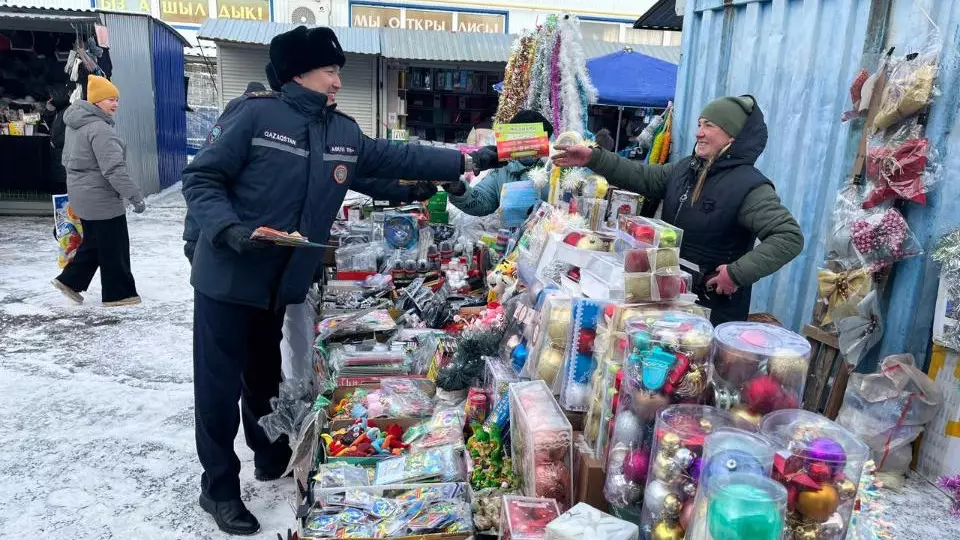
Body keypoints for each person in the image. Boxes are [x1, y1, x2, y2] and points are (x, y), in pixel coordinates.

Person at [181, 25, 498, 535]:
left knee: (262, 378)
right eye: (329, 70)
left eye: (337, 72)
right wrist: (228, 230)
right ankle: (218, 487)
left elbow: (391, 158)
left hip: (279, 282)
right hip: (228, 275)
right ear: (298, 73)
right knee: (217, 389)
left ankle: (267, 451)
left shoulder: (340, 132)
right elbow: (202, 177)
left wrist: (461, 160)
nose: (336, 81)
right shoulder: (256, 116)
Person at [553, 95, 803, 325]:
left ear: (731, 136)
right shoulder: (686, 170)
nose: (699, 133)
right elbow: (641, 175)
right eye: (699, 124)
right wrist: (593, 158)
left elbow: (788, 237)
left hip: (710, 313)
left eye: (709, 126)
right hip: (669, 298)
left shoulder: (749, 186)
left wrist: (737, 274)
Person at [52, 75, 144, 307]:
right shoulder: (99, 129)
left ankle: (70, 281)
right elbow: (114, 170)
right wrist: (135, 196)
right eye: (110, 99)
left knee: (94, 242)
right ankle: (119, 295)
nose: (115, 104)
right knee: (115, 247)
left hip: (82, 195)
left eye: (117, 100)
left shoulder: (75, 124)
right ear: (96, 101)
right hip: (101, 198)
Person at [444, 109, 552, 217]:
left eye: (534, 140)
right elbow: (483, 201)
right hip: (516, 232)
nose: (527, 146)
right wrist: (460, 191)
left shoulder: (554, 166)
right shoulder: (503, 168)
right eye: (522, 140)